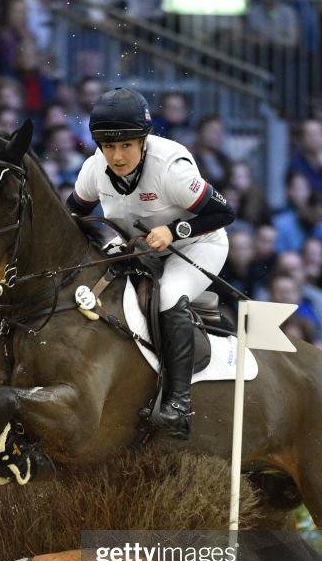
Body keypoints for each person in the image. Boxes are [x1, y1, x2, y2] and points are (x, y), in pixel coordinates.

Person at [65, 87, 235, 438]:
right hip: (139, 248)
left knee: (170, 293)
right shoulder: (93, 170)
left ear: (144, 140)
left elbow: (224, 212)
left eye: (126, 145)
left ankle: (178, 404)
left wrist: (175, 230)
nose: (117, 156)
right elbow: (72, 216)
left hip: (196, 245)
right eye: (108, 146)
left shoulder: (172, 169)